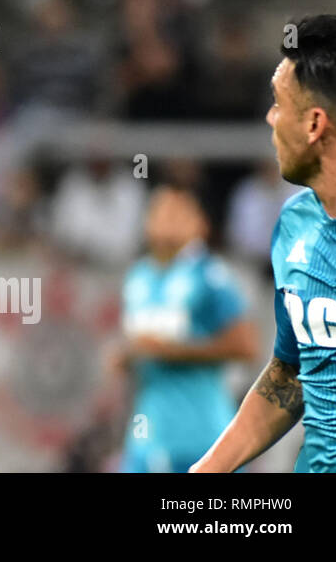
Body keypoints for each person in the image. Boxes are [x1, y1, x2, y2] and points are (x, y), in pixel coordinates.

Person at [192, 15, 336, 472]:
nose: (268, 119)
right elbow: (293, 372)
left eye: (278, 104)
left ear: (314, 123)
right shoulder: (295, 227)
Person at [114, 185, 257, 472]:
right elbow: (139, 345)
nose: (167, 219)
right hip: (149, 428)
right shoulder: (138, 277)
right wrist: (126, 357)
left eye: (178, 212)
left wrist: (173, 351)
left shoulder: (211, 276)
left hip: (203, 432)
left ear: (199, 224)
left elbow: (246, 346)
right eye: (161, 210)